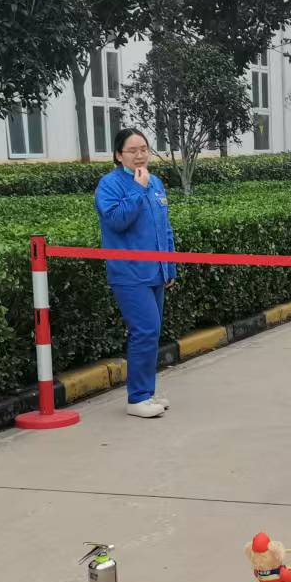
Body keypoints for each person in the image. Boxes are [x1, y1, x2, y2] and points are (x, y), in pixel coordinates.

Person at [95, 127, 177, 419]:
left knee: (151, 332)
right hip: (129, 273)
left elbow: (164, 228)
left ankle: (147, 392)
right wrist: (137, 189)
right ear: (119, 156)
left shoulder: (155, 182)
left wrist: (169, 265)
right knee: (145, 330)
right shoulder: (110, 185)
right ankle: (138, 398)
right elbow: (117, 220)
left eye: (144, 149)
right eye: (132, 150)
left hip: (155, 271)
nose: (140, 155)